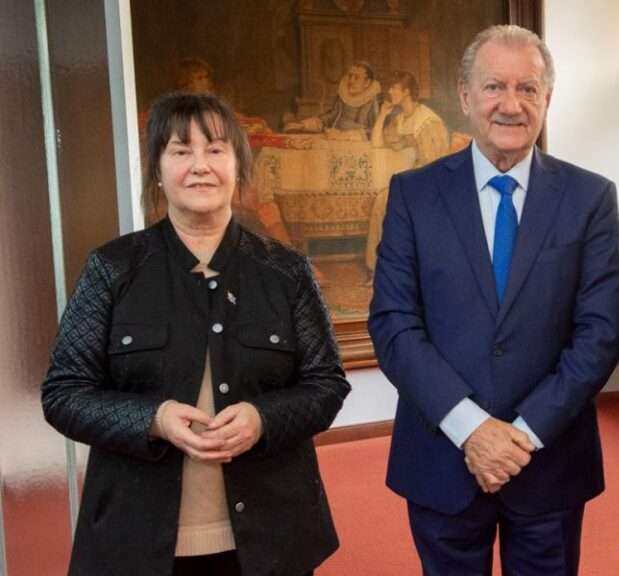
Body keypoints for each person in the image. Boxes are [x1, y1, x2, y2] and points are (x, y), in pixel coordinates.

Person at [41, 92, 350, 576]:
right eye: (181, 151)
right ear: (157, 171)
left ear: (238, 167)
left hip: (272, 539)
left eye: (216, 150)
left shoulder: (286, 271)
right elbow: (63, 394)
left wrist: (262, 418)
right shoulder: (112, 268)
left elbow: (327, 384)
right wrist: (154, 419)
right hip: (136, 541)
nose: (200, 166)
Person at [368, 25, 619, 576]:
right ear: (465, 96)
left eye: (528, 88)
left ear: (547, 99)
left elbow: (600, 332)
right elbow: (394, 323)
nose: (512, 104)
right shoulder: (413, 194)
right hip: (442, 458)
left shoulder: (590, 197)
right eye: (494, 87)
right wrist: (471, 428)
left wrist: (520, 438)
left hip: (550, 460)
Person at [365, 70, 450, 279]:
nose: (389, 91)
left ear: (406, 92)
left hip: (430, 184)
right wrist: (383, 114)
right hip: (410, 182)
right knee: (381, 202)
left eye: (394, 88)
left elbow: (435, 165)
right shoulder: (400, 119)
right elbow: (377, 143)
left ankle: (397, 269)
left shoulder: (427, 121)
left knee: (388, 201)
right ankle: (378, 268)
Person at [284, 61, 380, 137]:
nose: (351, 81)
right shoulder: (344, 96)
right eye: (350, 76)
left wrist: (347, 135)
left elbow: (376, 130)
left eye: (356, 78)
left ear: (367, 83)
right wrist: (305, 125)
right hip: (333, 138)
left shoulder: (372, 101)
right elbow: (331, 117)